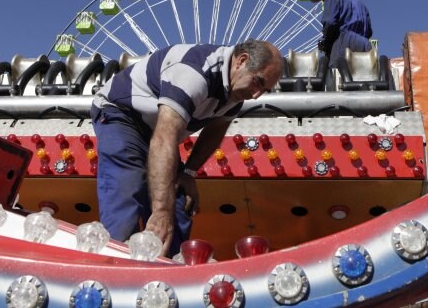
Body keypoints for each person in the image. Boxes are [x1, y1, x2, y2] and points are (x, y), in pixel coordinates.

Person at [91, 39, 284, 257]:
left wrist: (188, 172)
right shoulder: (193, 73)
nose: (257, 95)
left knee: (179, 203)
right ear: (241, 61)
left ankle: (170, 266)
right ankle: (117, 258)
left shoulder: (235, 92)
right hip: (122, 115)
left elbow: (216, 129)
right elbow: (164, 138)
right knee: (127, 185)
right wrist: (161, 211)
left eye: (265, 90)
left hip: (156, 131)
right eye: (258, 82)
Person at [310, 0, 374, 68]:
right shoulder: (359, 2)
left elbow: (330, 22)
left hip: (344, 41)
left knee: (337, 76)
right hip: (365, 45)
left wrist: (325, 43)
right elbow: (369, 30)